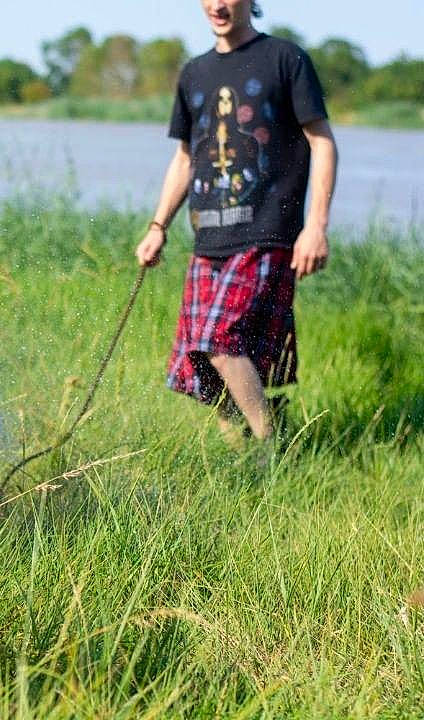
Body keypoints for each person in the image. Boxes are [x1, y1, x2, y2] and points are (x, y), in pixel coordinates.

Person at [135, 0, 338, 451]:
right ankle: (240, 456)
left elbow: (322, 143)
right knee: (199, 360)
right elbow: (186, 158)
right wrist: (157, 225)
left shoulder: (285, 59)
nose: (218, 5)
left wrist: (316, 226)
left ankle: (271, 448)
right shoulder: (194, 73)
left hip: (267, 231)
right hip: (208, 236)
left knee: (218, 339)